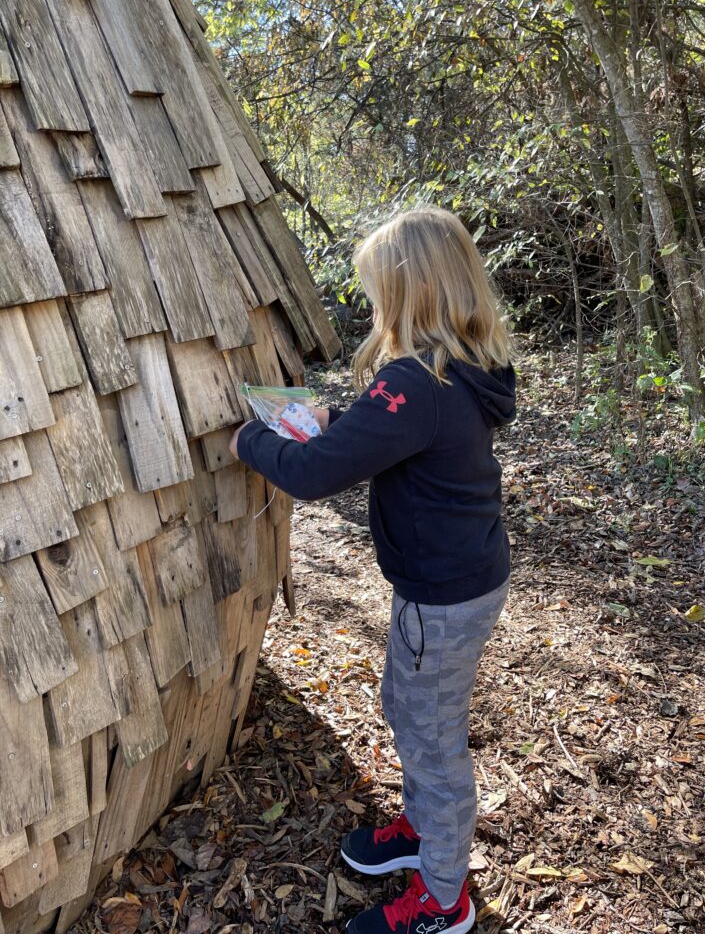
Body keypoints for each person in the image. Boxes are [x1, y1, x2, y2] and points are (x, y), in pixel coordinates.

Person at [230, 206, 516, 934]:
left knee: (433, 741)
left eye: (376, 287)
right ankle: (423, 834)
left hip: (442, 595)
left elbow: (318, 474)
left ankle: (444, 897)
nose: (371, 302)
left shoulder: (416, 382)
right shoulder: (463, 366)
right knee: (409, 707)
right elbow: (380, 433)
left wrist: (251, 441)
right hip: (458, 580)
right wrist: (336, 422)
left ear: (407, 289)